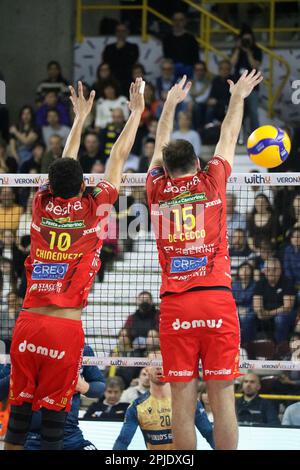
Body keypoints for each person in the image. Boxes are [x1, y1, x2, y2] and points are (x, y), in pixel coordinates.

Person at [4, 77, 145, 450]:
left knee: (17, 422)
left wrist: (79, 119)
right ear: (84, 186)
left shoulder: (39, 203)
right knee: (54, 425)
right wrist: (135, 113)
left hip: (28, 324)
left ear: (50, 183)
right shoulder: (94, 209)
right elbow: (116, 158)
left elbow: (63, 165)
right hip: (65, 331)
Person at [146, 69, 263, 450]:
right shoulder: (211, 180)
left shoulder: (157, 188)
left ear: (164, 169)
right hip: (215, 298)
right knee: (222, 396)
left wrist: (169, 105)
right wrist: (238, 96)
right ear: (198, 163)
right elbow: (228, 135)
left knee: (181, 397)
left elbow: (160, 143)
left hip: (175, 304)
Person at [0, 344, 105, 450]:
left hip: (70, 436)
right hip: (33, 438)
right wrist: (19, 375)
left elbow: (100, 387)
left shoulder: (82, 349)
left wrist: (84, 386)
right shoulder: (23, 348)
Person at [113, 353, 214, 450]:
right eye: (154, 363)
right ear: (146, 369)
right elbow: (122, 441)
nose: (158, 367)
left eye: (163, 362)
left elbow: (209, 433)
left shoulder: (189, 400)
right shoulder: (137, 407)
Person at [253, 258, 297, 344]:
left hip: (286, 314)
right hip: (266, 313)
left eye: (274, 269)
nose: (271, 272)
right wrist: (260, 313)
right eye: (268, 270)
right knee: (249, 316)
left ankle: (280, 347)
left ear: (280, 270)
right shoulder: (260, 283)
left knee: (280, 319)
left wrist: (268, 314)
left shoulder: (287, 282)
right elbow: (257, 305)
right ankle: (252, 348)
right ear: (264, 271)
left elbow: (287, 307)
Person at [230, 26, 262, 133]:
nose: (246, 42)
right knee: (238, 112)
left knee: (253, 112)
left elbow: (255, 65)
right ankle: (239, 137)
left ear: (252, 39)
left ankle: (256, 136)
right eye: (244, 40)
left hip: (252, 86)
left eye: (248, 40)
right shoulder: (237, 50)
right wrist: (239, 49)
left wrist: (248, 52)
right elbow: (232, 63)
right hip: (238, 86)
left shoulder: (256, 50)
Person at [102, 23, 139, 95]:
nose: (121, 33)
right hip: (112, 80)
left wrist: (120, 49)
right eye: (118, 31)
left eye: (123, 31)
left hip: (128, 80)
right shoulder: (109, 48)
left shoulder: (133, 47)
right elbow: (106, 61)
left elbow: (132, 61)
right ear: (115, 33)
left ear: (127, 32)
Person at [162, 12, 199, 79]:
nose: (178, 22)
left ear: (185, 22)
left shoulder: (191, 38)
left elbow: (196, 58)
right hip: (173, 69)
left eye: (180, 20)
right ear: (172, 22)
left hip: (188, 69)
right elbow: (166, 56)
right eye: (175, 20)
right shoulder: (167, 38)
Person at [232, 262, 256, 344]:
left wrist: (247, 310)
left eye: (247, 269)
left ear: (251, 272)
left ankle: (246, 344)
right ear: (238, 271)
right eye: (242, 269)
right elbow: (231, 301)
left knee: (247, 319)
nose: (244, 271)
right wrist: (237, 309)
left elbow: (256, 302)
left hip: (251, 310)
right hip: (236, 310)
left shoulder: (255, 285)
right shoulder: (234, 285)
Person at [205, 60, 233, 125]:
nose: (224, 71)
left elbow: (233, 99)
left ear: (230, 70)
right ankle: (208, 129)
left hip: (229, 107)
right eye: (222, 69)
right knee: (209, 110)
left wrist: (217, 101)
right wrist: (210, 100)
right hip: (217, 107)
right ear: (219, 70)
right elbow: (211, 96)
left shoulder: (233, 80)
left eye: (226, 69)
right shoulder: (215, 80)